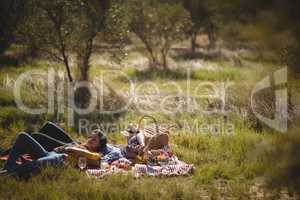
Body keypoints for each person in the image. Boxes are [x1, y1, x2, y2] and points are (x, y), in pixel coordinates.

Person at [0, 123, 108, 176]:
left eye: (93, 140)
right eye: (90, 137)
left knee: (27, 167)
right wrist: (72, 146)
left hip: (59, 159)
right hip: (48, 154)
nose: (89, 139)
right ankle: (7, 168)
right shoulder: (79, 144)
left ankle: (5, 174)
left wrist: (70, 149)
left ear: (98, 146)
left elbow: (97, 161)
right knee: (22, 135)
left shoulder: (94, 155)